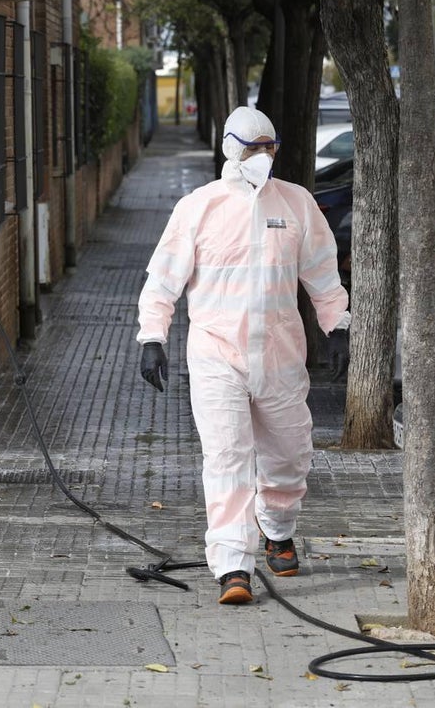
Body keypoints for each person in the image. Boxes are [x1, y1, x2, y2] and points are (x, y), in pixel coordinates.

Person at [136, 106, 350, 605]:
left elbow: (321, 270)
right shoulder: (199, 207)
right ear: (232, 149)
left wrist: (337, 325)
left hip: (279, 353)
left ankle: (277, 528)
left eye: (269, 147)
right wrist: (153, 338)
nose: (262, 156)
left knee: (289, 454)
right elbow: (163, 279)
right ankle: (233, 564)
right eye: (253, 148)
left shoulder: (296, 204)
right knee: (227, 457)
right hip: (216, 353)